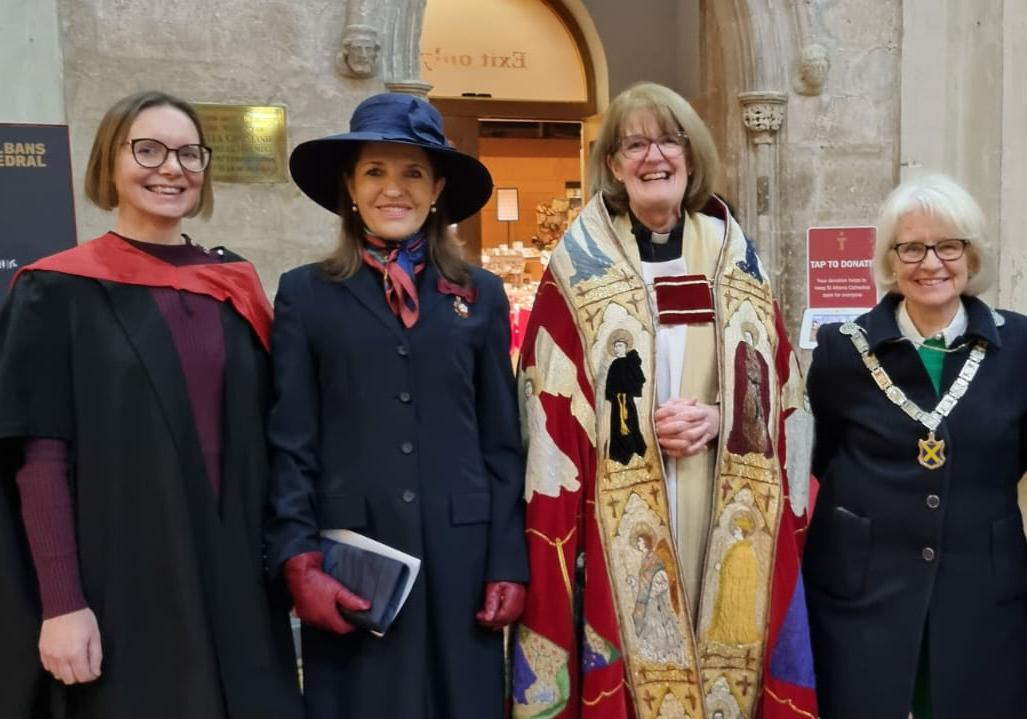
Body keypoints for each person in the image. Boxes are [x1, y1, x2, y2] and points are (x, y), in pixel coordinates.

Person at [511, 82, 818, 719]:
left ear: (690, 153)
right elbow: (547, 404)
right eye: (635, 144)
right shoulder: (579, 264)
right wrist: (628, 427)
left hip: (719, 487)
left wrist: (724, 418)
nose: (654, 156)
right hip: (615, 504)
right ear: (614, 165)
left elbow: (783, 389)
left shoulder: (736, 256)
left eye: (668, 140)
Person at [0, 91, 303, 719]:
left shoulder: (233, 285)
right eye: (148, 150)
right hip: (125, 576)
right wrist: (62, 604)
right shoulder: (57, 290)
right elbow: (41, 460)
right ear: (109, 161)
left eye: (189, 153)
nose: (172, 168)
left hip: (239, 576)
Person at [266, 92, 529, 719]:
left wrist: (507, 560)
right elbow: (291, 441)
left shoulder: (481, 295)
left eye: (413, 172)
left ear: (436, 188)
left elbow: (500, 441)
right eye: (375, 172)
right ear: (350, 187)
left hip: (461, 559)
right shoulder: (306, 295)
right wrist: (297, 556)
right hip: (356, 562)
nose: (394, 189)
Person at [804, 173, 1027, 719]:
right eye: (912, 248)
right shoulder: (840, 351)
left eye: (948, 246)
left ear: (971, 256)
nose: (931, 263)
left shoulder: (1020, 345)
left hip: (981, 588)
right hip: (864, 591)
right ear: (890, 259)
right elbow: (823, 455)